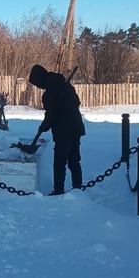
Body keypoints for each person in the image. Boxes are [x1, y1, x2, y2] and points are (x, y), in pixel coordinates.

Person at [26, 64, 86, 195]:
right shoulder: (66, 86)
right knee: (74, 161)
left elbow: (52, 115)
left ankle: (58, 190)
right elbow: (77, 103)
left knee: (60, 163)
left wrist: (44, 126)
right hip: (76, 128)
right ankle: (78, 188)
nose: (38, 87)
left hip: (63, 132)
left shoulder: (50, 93)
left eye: (37, 84)